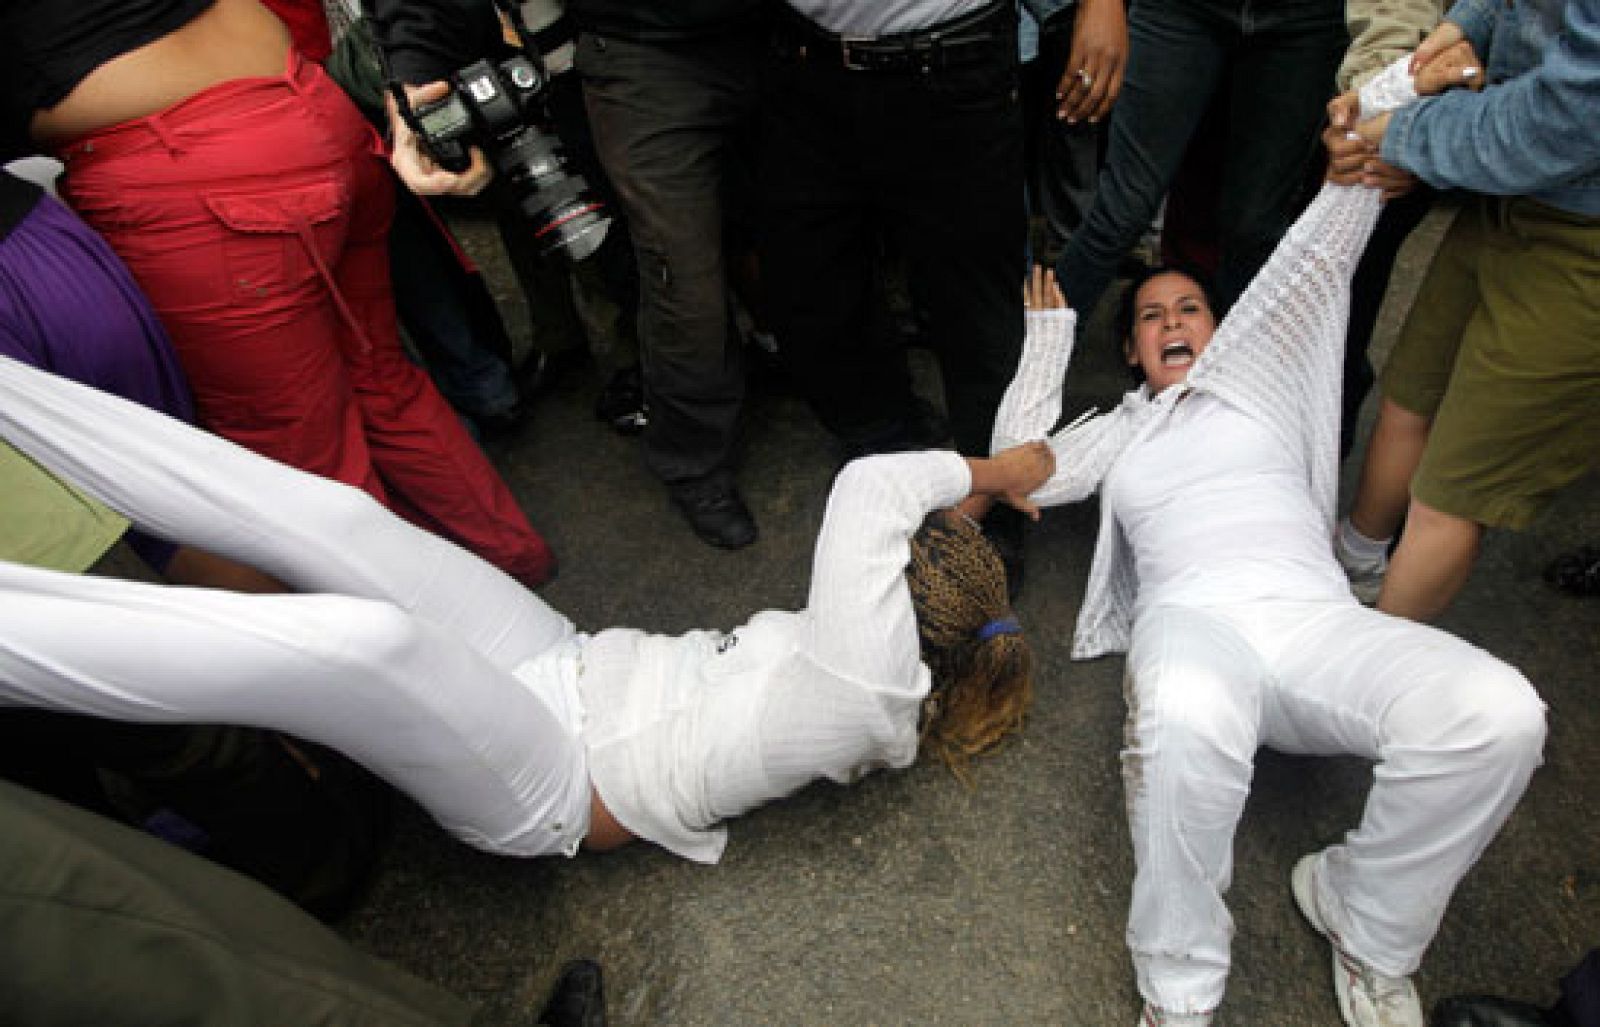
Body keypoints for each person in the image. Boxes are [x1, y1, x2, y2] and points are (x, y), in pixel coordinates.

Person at [0, 351, 1047, 865]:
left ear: (896, 601)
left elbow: (872, 488)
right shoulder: (895, 638)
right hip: (567, 659)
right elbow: (900, 527)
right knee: (334, 520)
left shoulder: (868, 686)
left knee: (359, 644)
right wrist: (974, 496)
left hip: (555, 780)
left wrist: (999, 471)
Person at [1007, 59, 1547, 1026]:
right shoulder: (1118, 432)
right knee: (1178, 716)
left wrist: (1395, 87)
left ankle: (1364, 913)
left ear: (1221, 329)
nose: (1171, 321)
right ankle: (1179, 991)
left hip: (1312, 623)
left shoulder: (1260, 370)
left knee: (1500, 716)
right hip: (1193, 622)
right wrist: (1048, 341)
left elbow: (1324, 239)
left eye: (1189, 308)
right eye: (1149, 317)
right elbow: (1021, 467)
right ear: (1130, 350)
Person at [3, 0, 554, 587]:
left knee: (301, 453)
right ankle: (513, 562)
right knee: (380, 376)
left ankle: (446, 640)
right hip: (305, 104)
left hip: (198, 172)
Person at [375, 0, 768, 550]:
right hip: (624, 56)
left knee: (791, 233)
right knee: (677, 274)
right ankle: (691, 460)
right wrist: (417, 76)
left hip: (782, 38)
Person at [1328, 0, 1600, 621]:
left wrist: (1403, 135)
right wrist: (1454, 33)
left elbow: (1564, 123)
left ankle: (1369, 676)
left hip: (1581, 230)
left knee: (1453, 489)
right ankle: (1354, 563)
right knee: (1409, 397)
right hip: (1507, 191)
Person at [1051, 0, 1348, 320]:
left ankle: (1240, 365)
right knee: (1121, 212)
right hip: (1178, 9)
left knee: (1255, 227)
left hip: (1309, 19)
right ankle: (1036, 359)